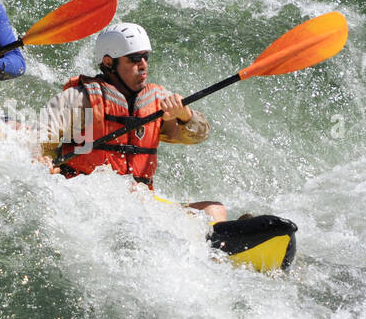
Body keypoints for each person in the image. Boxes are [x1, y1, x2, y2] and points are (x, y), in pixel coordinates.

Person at [36, 23, 226, 221]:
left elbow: (200, 135)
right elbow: (39, 136)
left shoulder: (159, 102)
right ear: (109, 62)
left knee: (215, 210)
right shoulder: (80, 99)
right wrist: (45, 160)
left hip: (140, 206)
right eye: (135, 59)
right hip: (88, 205)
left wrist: (185, 115)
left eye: (145, 57)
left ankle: (216, 247)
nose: (143, 64)